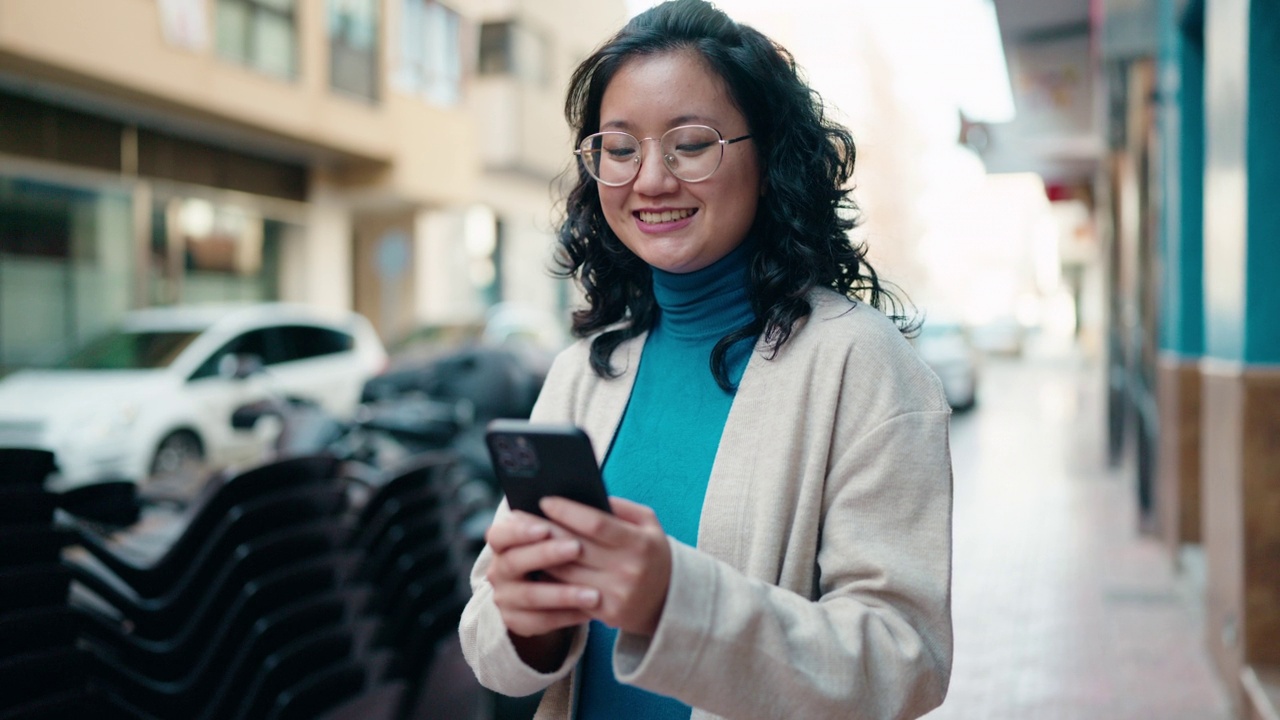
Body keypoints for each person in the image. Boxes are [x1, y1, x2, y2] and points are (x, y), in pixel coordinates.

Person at [458, 1, 954, 718]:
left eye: (691, 144)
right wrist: (528, 622)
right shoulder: (584, 370)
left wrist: (674, 602)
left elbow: (906, 659)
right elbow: (492, 640)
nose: (652, 180)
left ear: (769, 157)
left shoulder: (862, 365)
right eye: (620, 149)